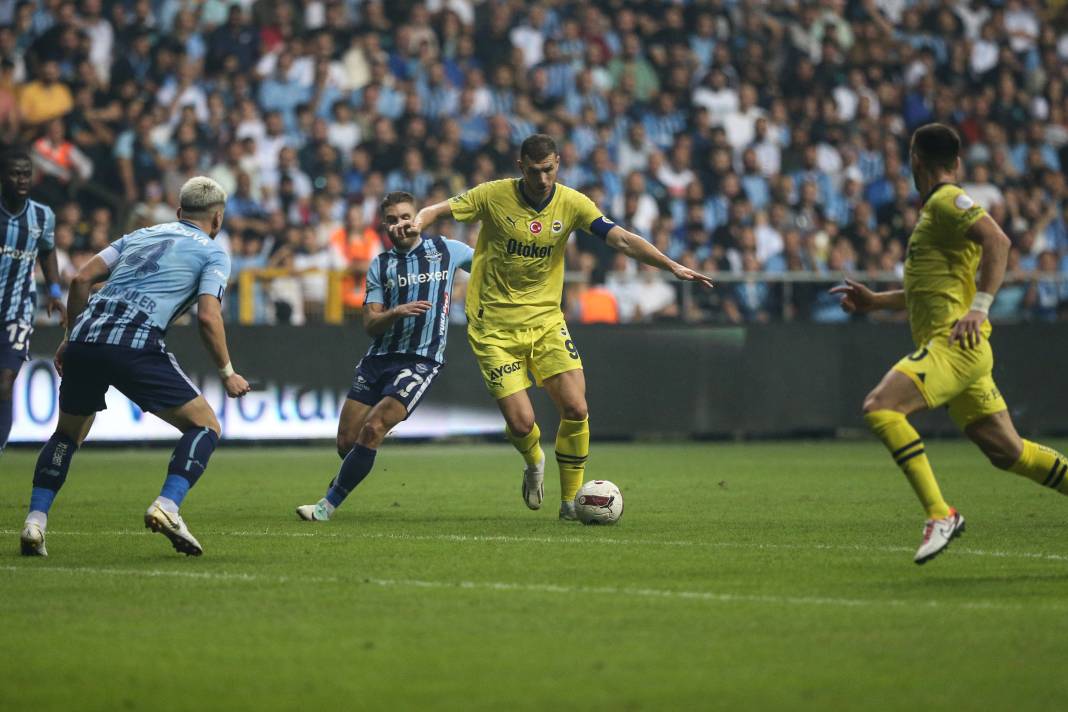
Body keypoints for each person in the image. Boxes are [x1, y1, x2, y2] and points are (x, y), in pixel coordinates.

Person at [411, 134, 712, 520]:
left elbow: (619, 239)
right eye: (535, 171)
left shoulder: (571, 203)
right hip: (494, 326)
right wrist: (418, 221)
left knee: (576, 406)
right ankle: (533, 460)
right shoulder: (492, 195)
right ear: (521, 167)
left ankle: (570, 502)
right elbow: (440, 210)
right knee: (522, 423)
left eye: (549, 169)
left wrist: (670, 265)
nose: (543, 179)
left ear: (558, 165)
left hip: (546, 321)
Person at [832, 123, 1068, 565]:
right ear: (956, 161)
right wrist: (875, 302)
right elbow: (930, 290)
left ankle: (941, 514)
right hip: (965, 350)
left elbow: (998, 239)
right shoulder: (933, 212)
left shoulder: (945, 201)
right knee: (1007, 452)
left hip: (953, 345)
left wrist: (980, 307)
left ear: (914, 158)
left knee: (881, 407)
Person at [19, 177, 251, 558]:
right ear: (218, 219)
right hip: (134, 342)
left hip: (86, 339)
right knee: (205, 425)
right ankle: (168, 505)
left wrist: (70, 337)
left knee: (66, 435)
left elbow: (80, 279)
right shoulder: (213, 252)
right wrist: (228, 373)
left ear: (179, 212)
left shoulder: (139, 235)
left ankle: (34, 522)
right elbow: (208, 317)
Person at [296, 191, 474, 522]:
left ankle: (326, 506)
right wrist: (397, 312)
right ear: (385, 226)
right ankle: (357, 463)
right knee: (346, 443)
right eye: (392, 220)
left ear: (418, 217)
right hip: (379, 358)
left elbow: (487, 267)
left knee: (373, 427)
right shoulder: (382, 264)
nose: (400, 224)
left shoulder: (446, 250)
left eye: (406, 217)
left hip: (421, 359)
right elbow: (370, 324)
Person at [0, 148, 64, 455]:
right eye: (15, 173)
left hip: (17, 312)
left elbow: (48, 250)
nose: (22, 179)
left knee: (5, 383)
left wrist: (53, 291)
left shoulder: (42, 215)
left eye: (26, 173)